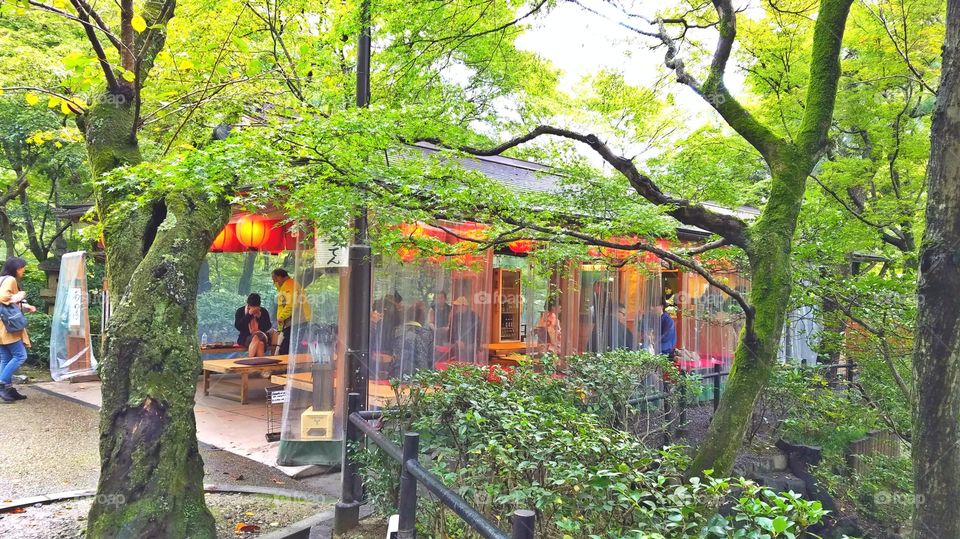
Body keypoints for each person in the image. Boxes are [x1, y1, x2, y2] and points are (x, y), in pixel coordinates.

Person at [0, 257, 35, 403]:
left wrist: (26, 306)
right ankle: (2, 384)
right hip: (8, 326)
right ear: (15, 268)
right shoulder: (10, 280)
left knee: (6, 358)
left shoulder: (1, 279)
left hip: (2, 324)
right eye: (22, 267)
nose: (23, 270)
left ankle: (8, 389)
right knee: (20, 356)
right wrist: (19, 295)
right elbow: (3, 297)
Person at [272, 268, 312, 355]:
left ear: (279, 277)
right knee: (289, 346)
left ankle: (286, 367)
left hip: (296, 320)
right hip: (293, 321)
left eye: (274, 279)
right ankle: (287, 365)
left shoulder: (289, 285)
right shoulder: (287, 285)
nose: (274, 282)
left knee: (287, 347)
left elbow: (291, 303)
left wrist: (282, 316)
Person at [392, 302, 435, 379]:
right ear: (422, 318)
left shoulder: (395, 331)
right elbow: (431, 360)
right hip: (421, 377)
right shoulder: (427, 334)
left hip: (397, 376)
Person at [448, 296, 480, 362]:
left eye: (458, 306)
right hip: (457, 345)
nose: (456, 307)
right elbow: (451, 331)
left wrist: (465, 342)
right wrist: (457, 340)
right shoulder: (455, 317)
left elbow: (477, 332)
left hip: (470, 345)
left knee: (469, 362)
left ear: (463, 306)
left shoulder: (473, 316)